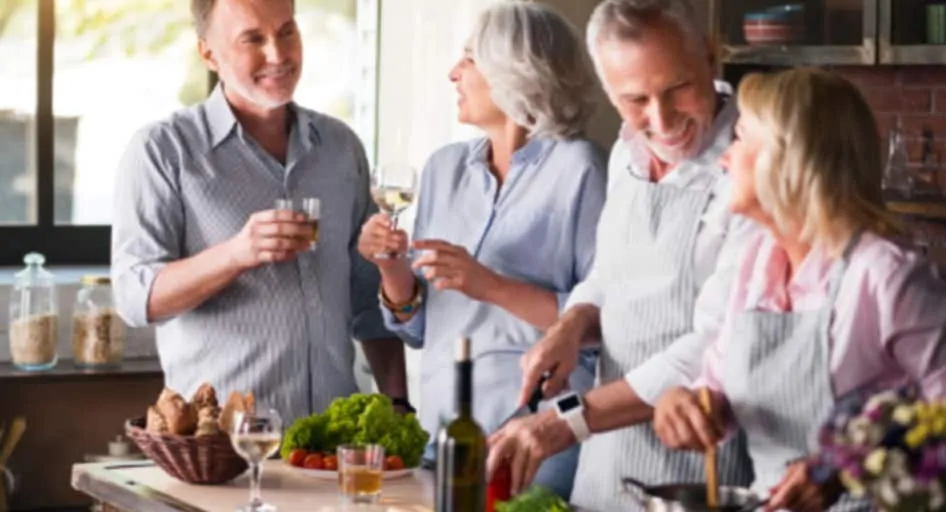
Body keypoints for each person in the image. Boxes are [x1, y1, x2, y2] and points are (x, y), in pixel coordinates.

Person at [651, 67, 946, 512]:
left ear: (787, 160)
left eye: (739, 139)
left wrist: (844, 470)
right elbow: (716, 392)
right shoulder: (755, 265)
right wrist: (683, 405)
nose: (724, 158)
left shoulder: (887, 277)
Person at [487, 1, 757, 510]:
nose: (662, 119)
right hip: (606, 469)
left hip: (699, 476)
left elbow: (718, 344)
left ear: (711, 56)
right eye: (635, 99)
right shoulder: (625, 153)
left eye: (678, 88)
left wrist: (566, 419)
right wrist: (570, 326)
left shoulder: (753, 162)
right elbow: (607, 278)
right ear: (609, 92)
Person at [110, 0, 407, 427]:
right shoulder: (163, 152)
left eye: (287, 31)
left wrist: (399, 406)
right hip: (225, 451)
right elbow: (135, 298)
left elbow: (368, 299)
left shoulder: (341, 148)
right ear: (208, 53)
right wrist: (236, 254)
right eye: (253, 39)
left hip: (331, 448)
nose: (279, 54)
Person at [356, 1, 606, 500]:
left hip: (536, 445)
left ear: (514, 72)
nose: (454, 73)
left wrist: (489, 284)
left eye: (468, 59)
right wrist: (391, 269)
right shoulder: (443, 168)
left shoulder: (582, 171)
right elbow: (419, 325)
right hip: (442, 436)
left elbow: (600, 328)